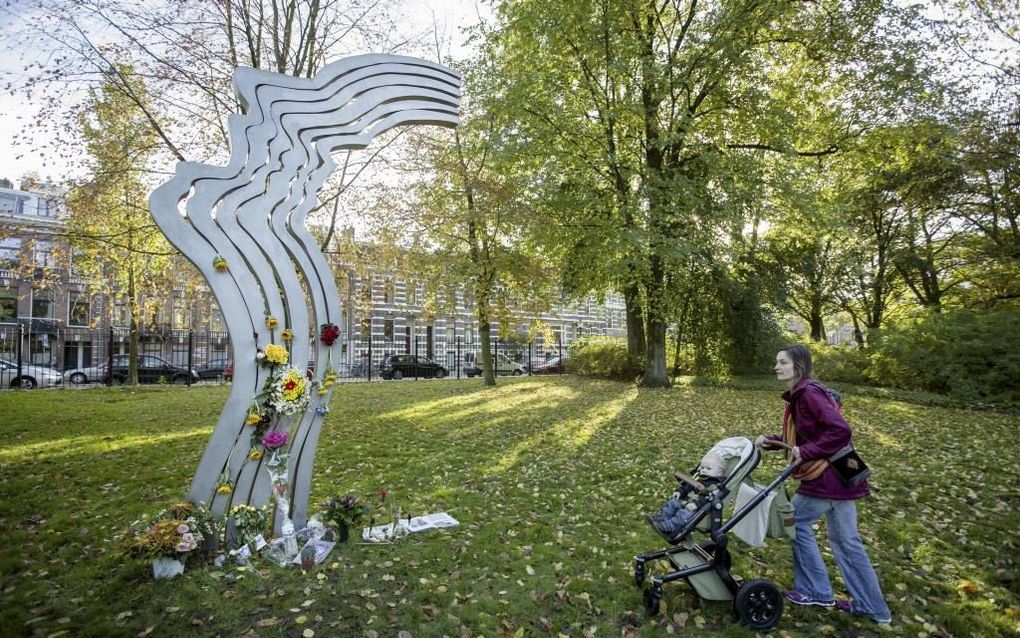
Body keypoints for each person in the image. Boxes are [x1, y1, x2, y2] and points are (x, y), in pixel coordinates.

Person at [755, 344, 892, 624]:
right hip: (839, 480)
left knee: (795, 521)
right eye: (776, 362)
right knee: (847, 542)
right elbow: (802, 437)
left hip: (826, 479)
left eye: (782, 362)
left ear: (799, 366)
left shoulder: (808, 394)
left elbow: (839, 431)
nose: (776, 367)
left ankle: (815, 590)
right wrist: (770, 441)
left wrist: (805, 453)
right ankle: (873, 608)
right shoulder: (800, 395)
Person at [646, 452, 726, 538]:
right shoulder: (700, 478)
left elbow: (709, 498)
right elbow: (688, 487)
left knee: (684, 514)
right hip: (686, 501)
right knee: (673, 503)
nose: (704, 470)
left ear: (719, 472)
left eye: (708, 468)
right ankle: (662, 518)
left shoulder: (715, 486)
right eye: (702, 467)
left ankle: (671, 527)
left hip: (696, 509)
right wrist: (679, 492)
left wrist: (696, 504)